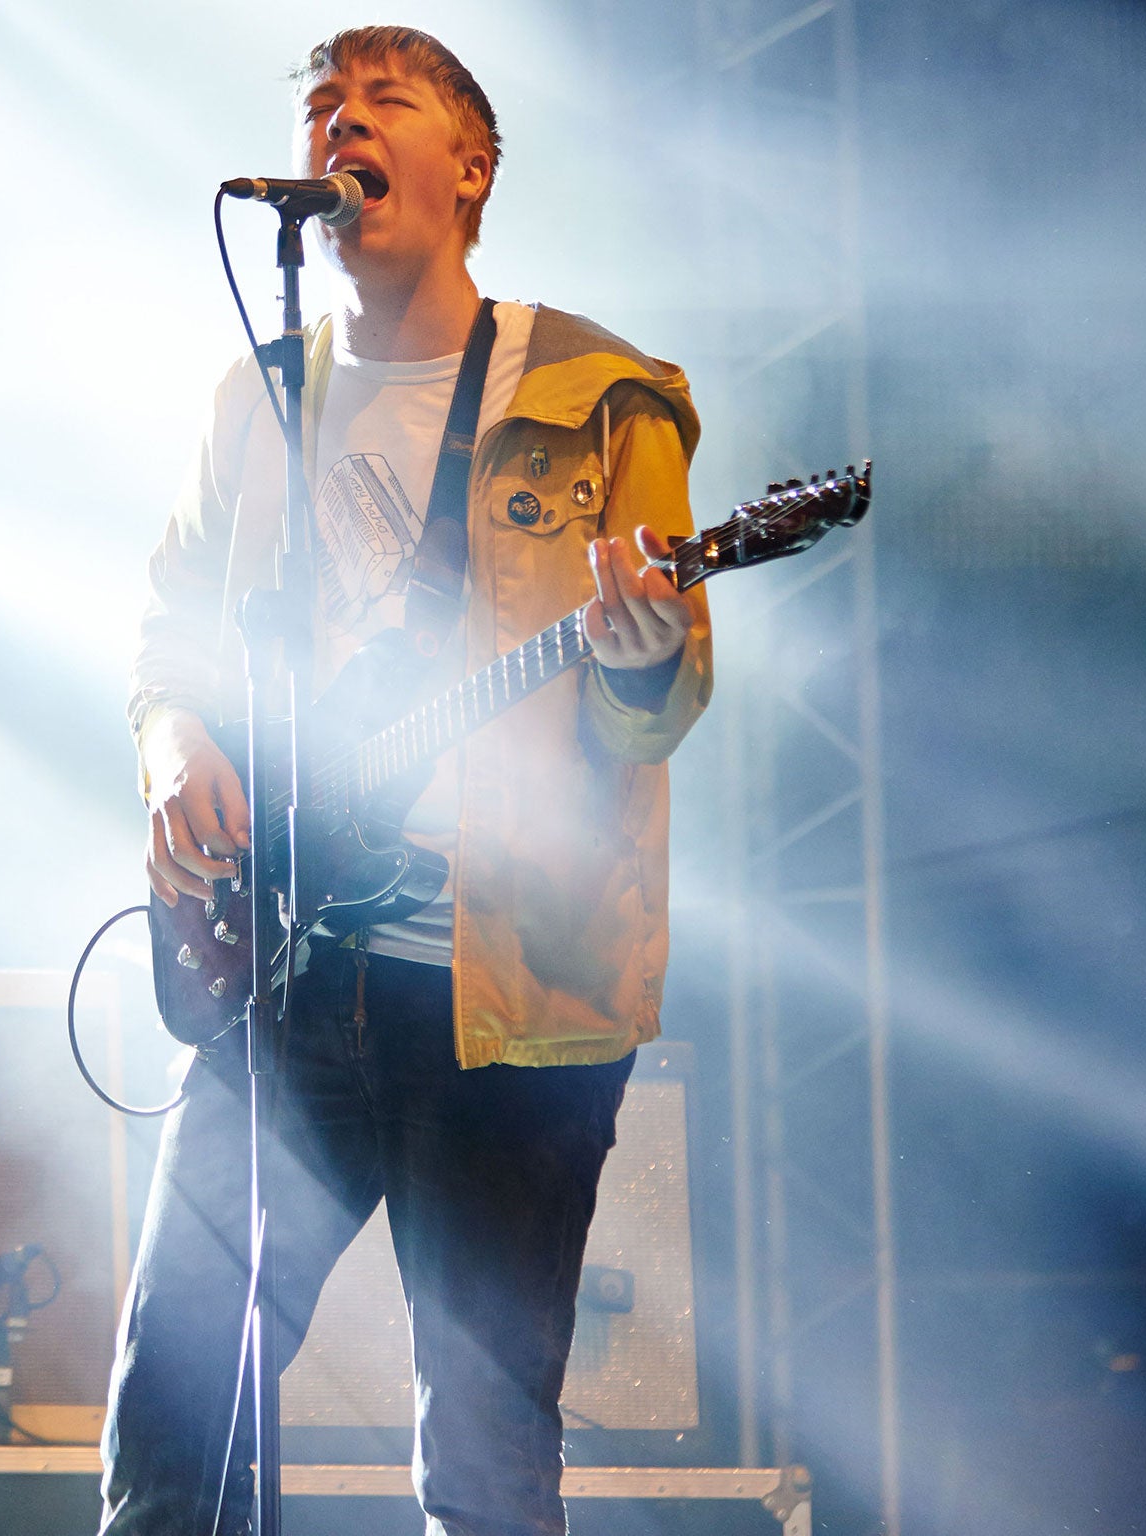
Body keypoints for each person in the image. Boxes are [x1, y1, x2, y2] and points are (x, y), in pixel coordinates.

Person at [101, 25, 714, 1536]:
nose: (338, 125)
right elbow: (171, 632)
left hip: (510, 995)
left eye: (382, 103)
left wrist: (633, 644)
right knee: (176, 1404)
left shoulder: (598, 391)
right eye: (321, 107)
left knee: (488, 1454)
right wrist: (176, 752)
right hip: (284, 971)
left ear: (472, 168)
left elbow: (664, 700)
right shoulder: (258, 399)